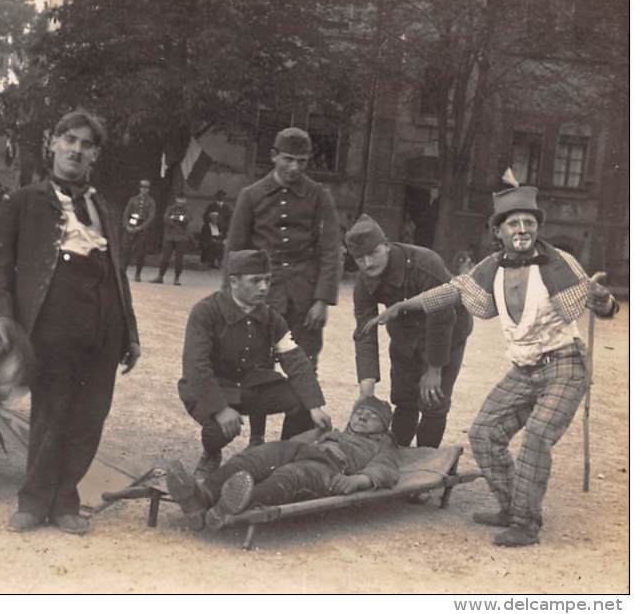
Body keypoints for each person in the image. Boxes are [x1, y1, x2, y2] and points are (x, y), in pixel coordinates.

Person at [362, 185, 619, 547]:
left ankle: (526, 523)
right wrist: (404, 306)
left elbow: (601, 306)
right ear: (498, 231)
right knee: (484, 432)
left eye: (528, 222)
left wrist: (603, 301)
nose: (522, 229)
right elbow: (452, 291)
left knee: (537, 437)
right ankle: (510, 505)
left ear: (537, 227)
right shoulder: (491, 268)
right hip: (524, 368)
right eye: (513, 223)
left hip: (565, 364)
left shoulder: (561, 261)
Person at [0, 110, 141, 536]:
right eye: (68, 139)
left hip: (103, 328)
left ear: (96, 154)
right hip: (52, 325)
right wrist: (0, 316)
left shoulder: (105, 206)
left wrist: (130, 332)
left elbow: (118, 273)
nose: (76, 149)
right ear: (52, 144)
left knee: (91, 416)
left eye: (86, 144)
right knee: (51, 414)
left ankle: (66, 500)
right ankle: (33, 503)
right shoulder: (23, 202)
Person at [178, 249, 332, 478]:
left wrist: (314, 405)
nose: (263, 287)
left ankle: (284, 458)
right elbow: (196, 366)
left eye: (268, 280)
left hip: (250, 388)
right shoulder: (206, 311)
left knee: (302, 401)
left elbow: (296, 361)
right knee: (220, 427)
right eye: (255, 281)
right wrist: (220, 408)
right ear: (234, 281)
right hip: (212, 388)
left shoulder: (271, 317)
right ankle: (211, 455)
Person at [167, 396, 399, 530]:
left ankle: (229, 508)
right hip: (302, 449)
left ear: (383, 428)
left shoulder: (383, 443)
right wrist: (314, 435)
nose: (363, 417)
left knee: (290, 476)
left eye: (373, 416)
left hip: (330, 468)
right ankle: (203, 496)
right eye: (360, 412)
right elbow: (292, 445)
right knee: (255, 457)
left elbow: (386, 468)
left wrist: (359, 480)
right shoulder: (333, 432)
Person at [347, 213, 473, 448]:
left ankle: (425, 462)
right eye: (359, 259)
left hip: (447, 331)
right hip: (405, 334)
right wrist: (366, 389)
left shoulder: (425, 264)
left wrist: (434, 369)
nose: (368, 264)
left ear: (386, 245)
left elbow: (443, 315)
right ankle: (399, 455)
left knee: (433, 400)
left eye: (373, 253)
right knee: (404, 398)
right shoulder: (364, 281)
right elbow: (364, 332)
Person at [225, 127, 342, 374]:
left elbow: (331, 250)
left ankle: (300, 414)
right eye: (288, 159)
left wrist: (322, 300)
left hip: (305, 297)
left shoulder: (320, 196)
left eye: (302, 161)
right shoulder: (251, 196)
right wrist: (232, 300)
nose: (295, 168)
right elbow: (235, 251)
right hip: (263, 294)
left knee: (304, 367)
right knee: (256, 365)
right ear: (273, 156)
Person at [121, 179, 157, 281]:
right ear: (139, 189)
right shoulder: (133, 199)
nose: (144, 190)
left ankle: (137, 274)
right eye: (142, 188)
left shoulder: (150, 201)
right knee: (126, 250)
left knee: (140, 251)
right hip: (132, 223)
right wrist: (127, 225)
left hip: (142, 226)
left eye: (146, 188)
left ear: (148, 190)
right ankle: (123, 272)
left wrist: (140, 228)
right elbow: (126, 213)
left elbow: (151, 217)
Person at [152, 193, 191, 285]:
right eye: (179, 199)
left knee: (179, 260)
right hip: (169, 236)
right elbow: (166, 218)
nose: (180, 201)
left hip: (181, 237)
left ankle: (177, 278)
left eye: (183, 199)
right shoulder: (170, 208)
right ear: (176, 199)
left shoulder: (187, 210)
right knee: (165, 258)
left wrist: (175, 218)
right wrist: (178, 219)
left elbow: (187, 219)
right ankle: (160, 276)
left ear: (185, 200)